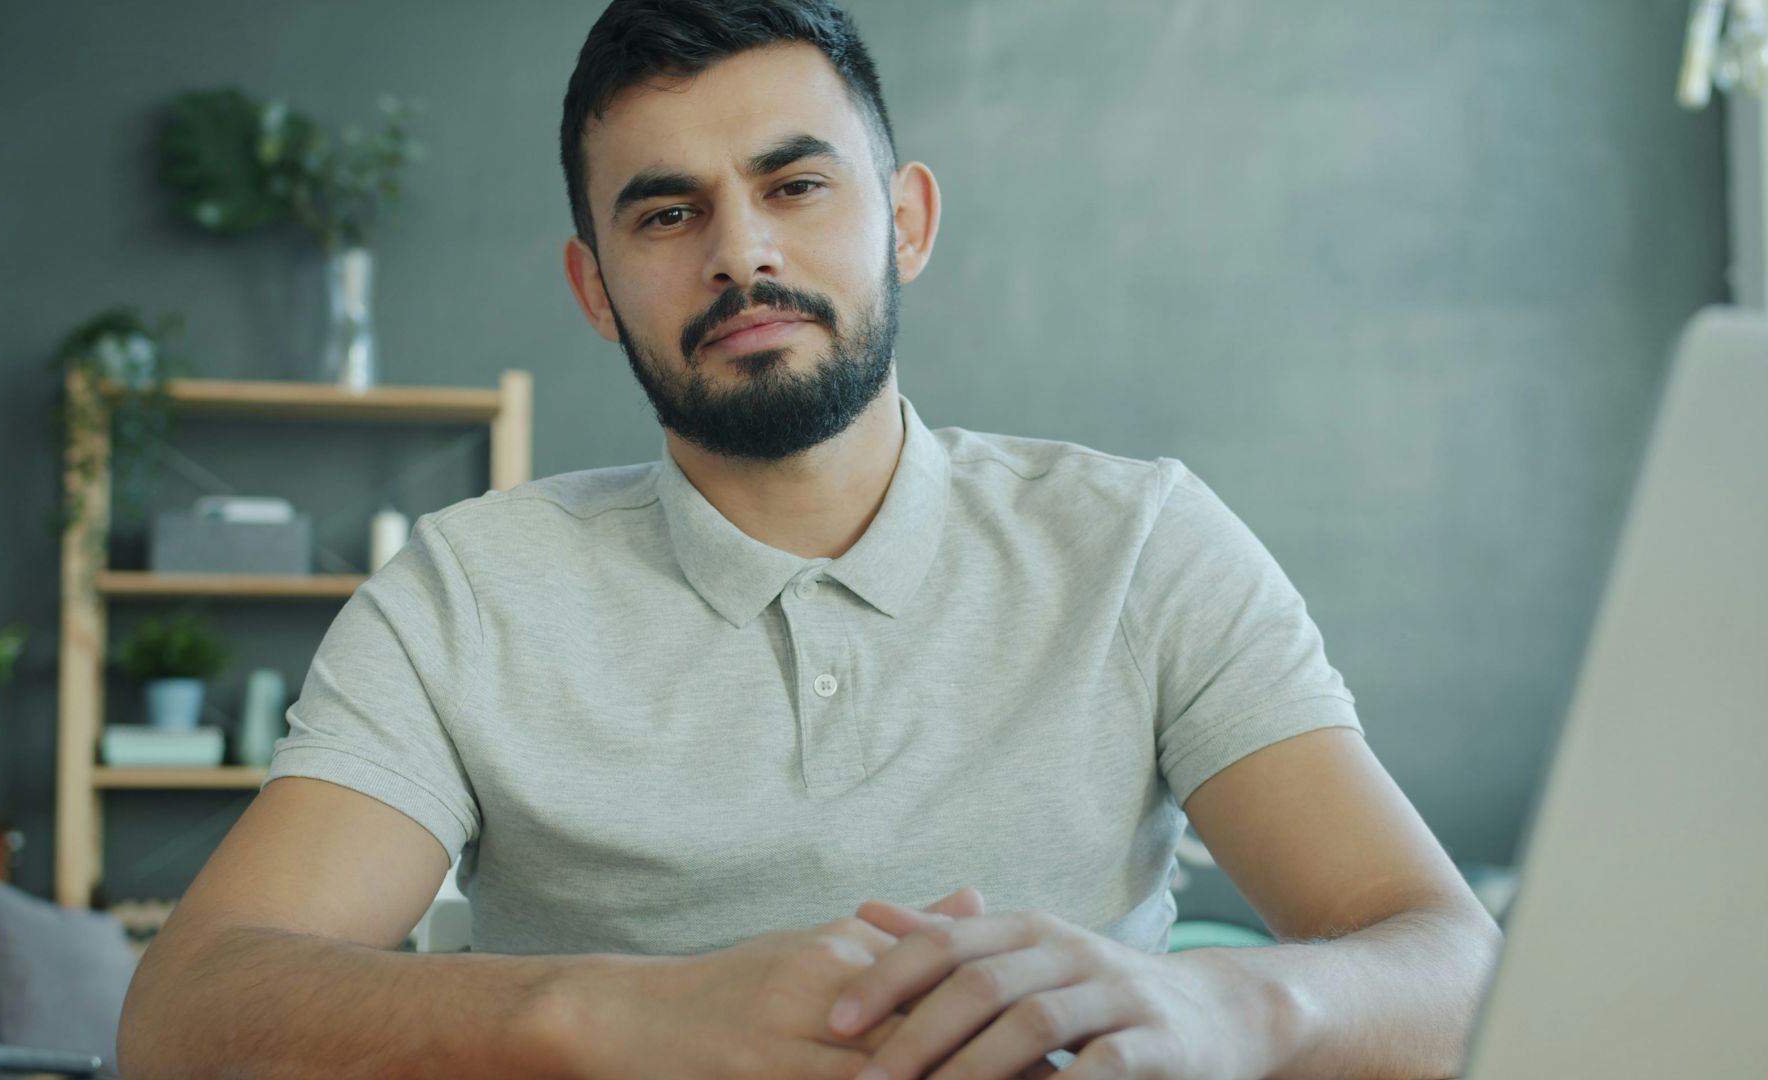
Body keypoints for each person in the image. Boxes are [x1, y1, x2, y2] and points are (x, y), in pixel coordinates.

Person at [117, 2, 1503, 1077]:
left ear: (905, 222)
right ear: (594, 290)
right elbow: (182, 1019)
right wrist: (609, 1020)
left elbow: (1456, 970)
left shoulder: (1143, 544)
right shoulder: (467, 594)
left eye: (795, 186)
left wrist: (1216, 1009)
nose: (740, 255)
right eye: (667, 213)